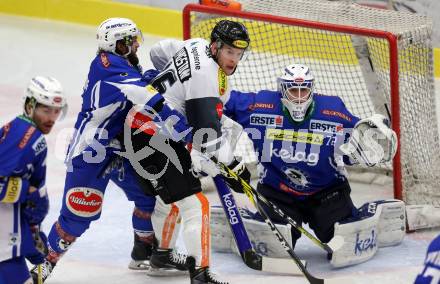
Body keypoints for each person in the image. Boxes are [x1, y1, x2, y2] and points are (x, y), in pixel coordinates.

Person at [30, 17, 188, 282]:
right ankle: (45, 265)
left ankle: (144, 252)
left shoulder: (122, 62)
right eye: (130, 41)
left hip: (120, 149)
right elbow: (147, 98)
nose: (136, 45)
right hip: (92, 152)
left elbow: (140, 85)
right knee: (76, 219)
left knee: (148, 197)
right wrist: (184, 129)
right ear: (116, 44)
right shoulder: (109, 67)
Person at [216, 63, 404, 267]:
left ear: (311, 89)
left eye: (303, 90)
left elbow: (356, 144)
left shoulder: (333, 111)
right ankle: (248, 219)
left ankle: (367, 213)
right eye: (293, 90)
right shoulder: (260, 106)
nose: (298, 97)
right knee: (274, 248)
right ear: (282, 89)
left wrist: (370, 145)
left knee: (344, 245)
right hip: (277, 193)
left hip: (326, 193)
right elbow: (222, 102)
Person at [133, 19, 250, 283]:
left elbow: (159, 51)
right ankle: (201, 273)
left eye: (239, 53)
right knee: (197, 204)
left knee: (172, 196)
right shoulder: (205, 78)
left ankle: (162, 255)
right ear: (216, 46)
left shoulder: (195, 44)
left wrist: (172, 89)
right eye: (229, 52)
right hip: (154, 137)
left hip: (142, 125)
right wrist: (235, 167)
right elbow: (206, 139)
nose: (234, 59)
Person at [0, 76, 67, 284]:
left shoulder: (26, 133)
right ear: (30, 105)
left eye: (56, 111)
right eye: (45, 110)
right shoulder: (25, 137)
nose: (51, 118)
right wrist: (28, 192)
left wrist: (33, 233)